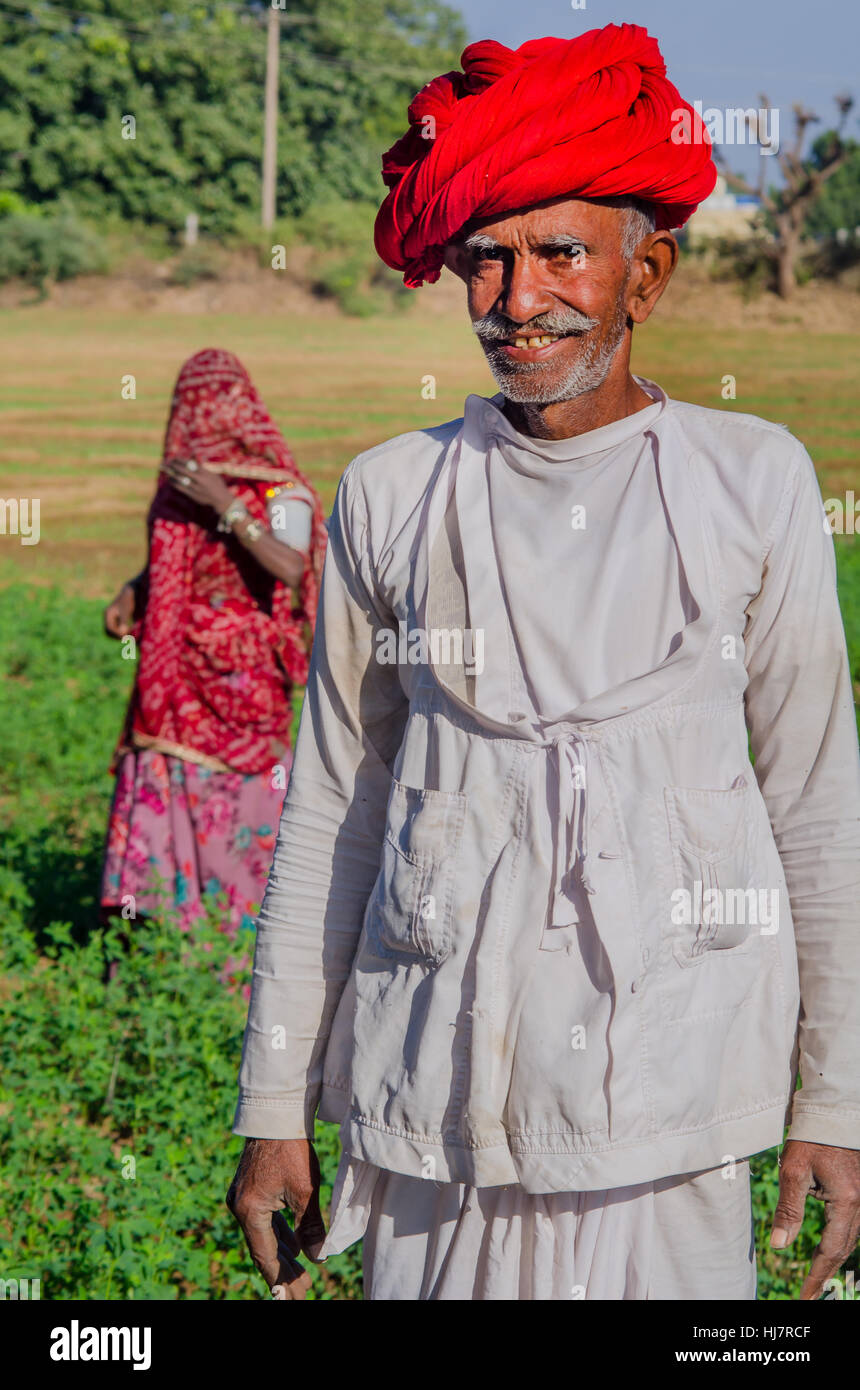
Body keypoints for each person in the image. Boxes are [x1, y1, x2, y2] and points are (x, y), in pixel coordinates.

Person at [227, 25, 860, 1300]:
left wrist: (835, 1095)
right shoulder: (393, 494)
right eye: (486, 260)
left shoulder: (752, 480)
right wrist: (273, 1092)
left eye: (560, 252)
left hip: (668, 1104)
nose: (517, 302)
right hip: (436, 1106)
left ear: (648, 272)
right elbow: (334, 809)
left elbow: (812, 799)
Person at [101, 348, 327, 941]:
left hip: (243, 686)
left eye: (209, 407)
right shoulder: (180, 489)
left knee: (237, 827)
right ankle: (162, 945)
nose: (196, 421)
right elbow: (176, 563)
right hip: (172, 680)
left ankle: (233, 961)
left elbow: (290, 568)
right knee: (166, 805)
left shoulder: (283, 492)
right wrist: (135, 589)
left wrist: (225, 505)